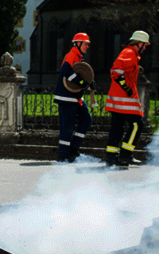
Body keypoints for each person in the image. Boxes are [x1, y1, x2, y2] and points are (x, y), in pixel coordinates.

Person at [104, 31, 149, 167]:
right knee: (137, 124)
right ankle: (126, 154)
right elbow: (115, 71)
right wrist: (126, 87)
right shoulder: (129, 53)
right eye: (145, 45)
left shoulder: (129, 53)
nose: (145, 48)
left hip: (118, 99)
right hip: (125, 100)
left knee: (117, 127)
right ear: (139, 43)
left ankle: (112, 157)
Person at [54, 33, 93, 162]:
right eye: (85, 43)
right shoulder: (71, 55)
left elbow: (80, 74)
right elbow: (66, 71)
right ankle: (63, 155)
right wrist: (81, 82)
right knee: (67, 127)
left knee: (86, 119)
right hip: (66, 97)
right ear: (78, 43)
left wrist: (89, 82)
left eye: (87, 44)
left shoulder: (79, 57)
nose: (87, 46)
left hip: (75, 98)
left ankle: (73, 149)